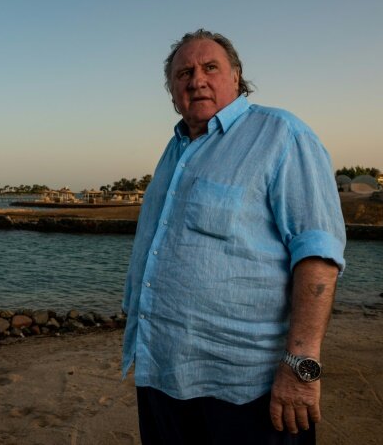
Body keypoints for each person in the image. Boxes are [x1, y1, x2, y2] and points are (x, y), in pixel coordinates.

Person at [121, 28, 346, 444]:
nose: (197, 80)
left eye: (210, 67)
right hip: (162, 375)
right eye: (183, 73)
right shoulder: (175, 151)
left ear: (237, 76)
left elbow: (318, 256)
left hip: (247, 387)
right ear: (172, 91)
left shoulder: (281, 135)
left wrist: (301, 368)